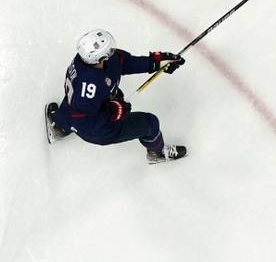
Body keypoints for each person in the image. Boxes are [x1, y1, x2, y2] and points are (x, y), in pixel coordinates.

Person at [45, 29, 187, 163]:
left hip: (79, 108)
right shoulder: (89, 86)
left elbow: (125, 62)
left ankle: (59, 126)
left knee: (76, 107)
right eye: (109, 51)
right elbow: (84, 121)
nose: (112, 52)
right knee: (150, 123)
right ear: (98, 58)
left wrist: (156, 63)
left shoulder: (90, 60)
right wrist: (112, 113)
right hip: (97, 130)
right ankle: (158, 153)